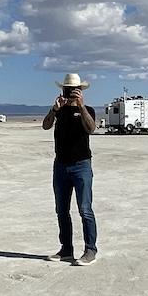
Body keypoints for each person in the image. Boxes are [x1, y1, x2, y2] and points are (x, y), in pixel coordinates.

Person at [42, 73, 98, 265]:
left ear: (81, 91)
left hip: (81, 165)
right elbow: (45, 126)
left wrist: (81, 107)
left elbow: (91, 129)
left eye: (74, 90)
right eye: (67, 90)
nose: (70, 93)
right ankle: (66, 249)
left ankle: (90, 250)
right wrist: (53, 109)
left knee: (85, 209)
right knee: (61, 210)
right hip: (60, 166)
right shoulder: (59, 111)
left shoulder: (87, 109)